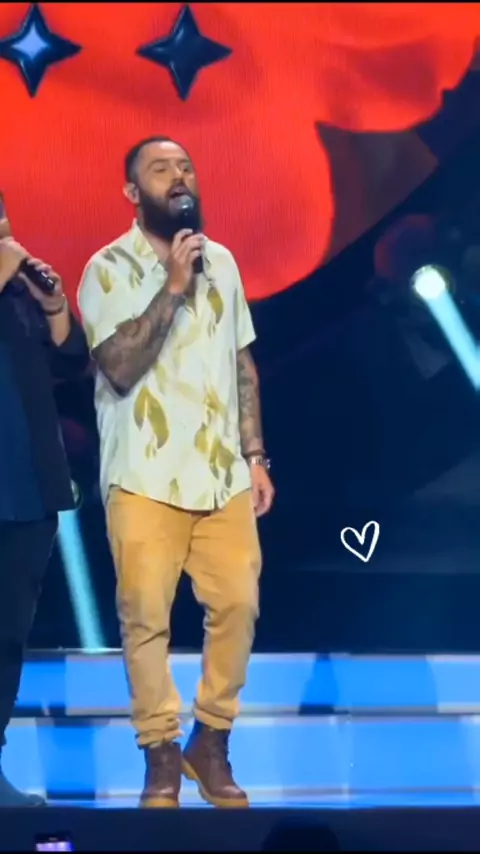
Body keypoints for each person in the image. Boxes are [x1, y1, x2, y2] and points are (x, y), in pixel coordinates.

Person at [77, 136, 275, 809]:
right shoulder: (106, 268)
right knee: (145, 617)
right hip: (143, 474)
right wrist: (173, 286)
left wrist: (255, 455)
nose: (179, 177)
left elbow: (241, 363)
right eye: (161, 170)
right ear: (133, 193)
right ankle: (159, 753)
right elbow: (118, 366)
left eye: (185, 166)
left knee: (239, 603)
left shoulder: (223, 262)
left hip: (221, 473)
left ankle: (210, 740)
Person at [0, 232, 90, 807]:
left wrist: (54, 306)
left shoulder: (16, 291)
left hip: (27, 489)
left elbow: (72, 359)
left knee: (6, 639)